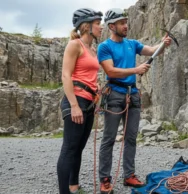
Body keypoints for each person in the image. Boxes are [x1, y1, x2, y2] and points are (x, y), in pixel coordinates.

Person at [97, 8, 172, 194]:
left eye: (126, 22)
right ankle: (105, 179)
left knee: (131, 138)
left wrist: (162, 44)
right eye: (122, 23)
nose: (126, 25)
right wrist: (135, 70)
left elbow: (152, 50)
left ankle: (129, 175)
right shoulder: (104, 47)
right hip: (114, 94)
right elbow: (111, 71)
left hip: (133, 95)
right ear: (112, 26)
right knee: (108, 139)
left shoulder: (132, 44)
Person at [57, 8, 103, 194]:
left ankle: (74, 186)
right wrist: (74, 106)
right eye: (98, 23)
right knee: (69, 148)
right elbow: (66, 76)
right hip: (76, 102)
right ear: (86, 26)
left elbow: (87, 75)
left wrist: (97, 88)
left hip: (89, 102)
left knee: (79, 147)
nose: (101, 27)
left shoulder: (93, 50)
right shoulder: (74, 45)